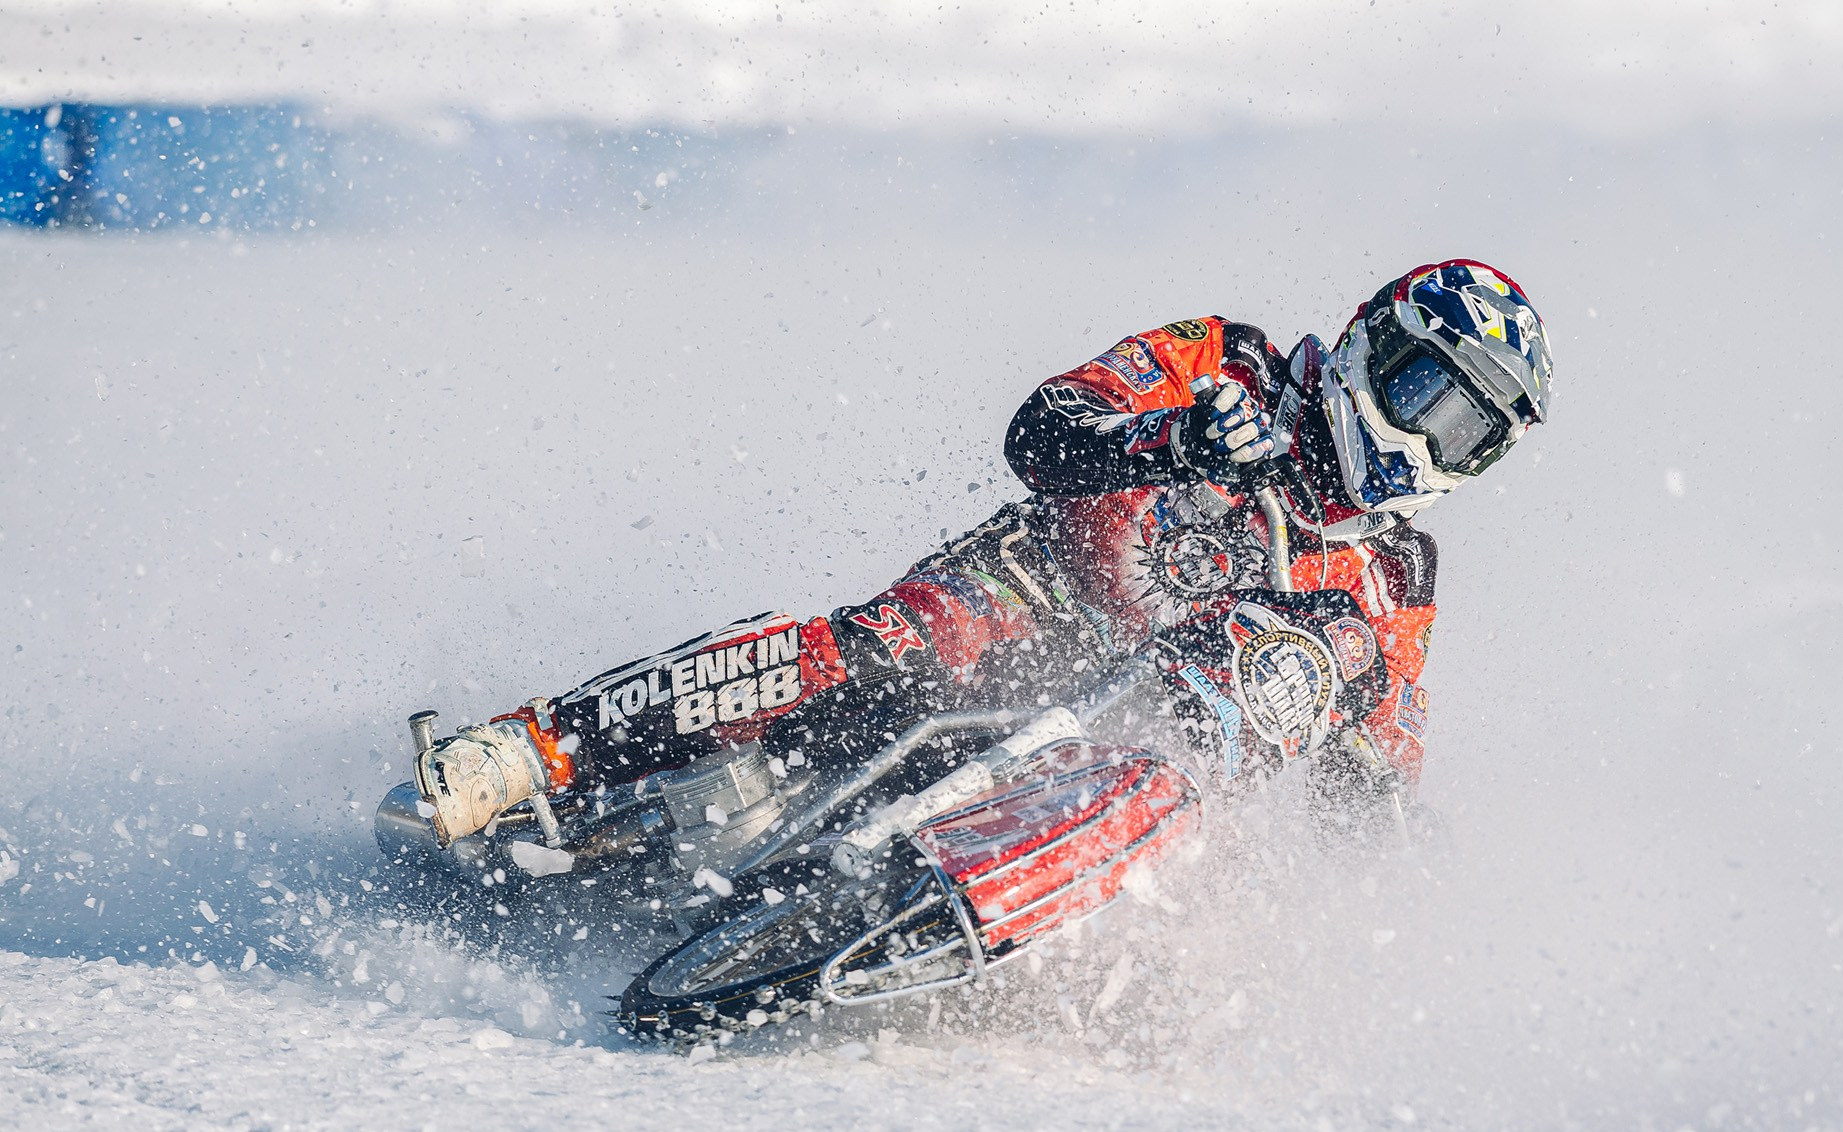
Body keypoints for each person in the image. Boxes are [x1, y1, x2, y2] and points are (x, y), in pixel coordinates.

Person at [414, 259, 1553, 848]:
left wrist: (1396, 852)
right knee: (872, 650)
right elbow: (1040, 432)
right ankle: (530, 750)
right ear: (1372, 343)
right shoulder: (1229, 360)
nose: (1423, 443)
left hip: (1142, 731)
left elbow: (1378, 758)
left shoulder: (1395, 577)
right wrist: (1176, 436)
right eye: (1424, 395)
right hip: (1026, 595)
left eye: (1466, 433)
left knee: (1308, 714)